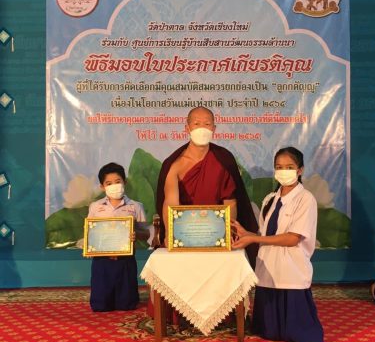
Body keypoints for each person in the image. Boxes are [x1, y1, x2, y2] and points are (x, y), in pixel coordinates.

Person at [231, 147, 324, 342]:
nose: (283, 171)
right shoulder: (270, 199)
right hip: (268, 268)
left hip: (292, 269)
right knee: (268, 333)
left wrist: (254, 239)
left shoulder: (305, 199)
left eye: (289, 167)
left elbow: (292, 239)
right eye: (279, 167)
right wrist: (247, 234)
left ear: (300, 170)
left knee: (301, 333)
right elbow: (265, 234)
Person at [156, 106, 258, 266]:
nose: (202, 129)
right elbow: (170, 203)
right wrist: (171, 234)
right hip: (185, 233)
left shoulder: (223, 159)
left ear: (214, 129)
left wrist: (226, 234)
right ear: (187, 128)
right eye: (197, 124)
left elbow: (230, 202)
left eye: (207, 124)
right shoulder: (175, 165)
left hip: (215, 234)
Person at [88, 162, 146, 312]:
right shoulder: (95, 207)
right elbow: (90, 232)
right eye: (109, 183)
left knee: (127, 305)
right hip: (101, 261)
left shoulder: (136, 206)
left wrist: (136, 234)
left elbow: (146, 234)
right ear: (102, 186)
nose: (114, 186)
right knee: (100, 306)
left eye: (117, 181)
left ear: (124, 182)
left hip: (125, 261)